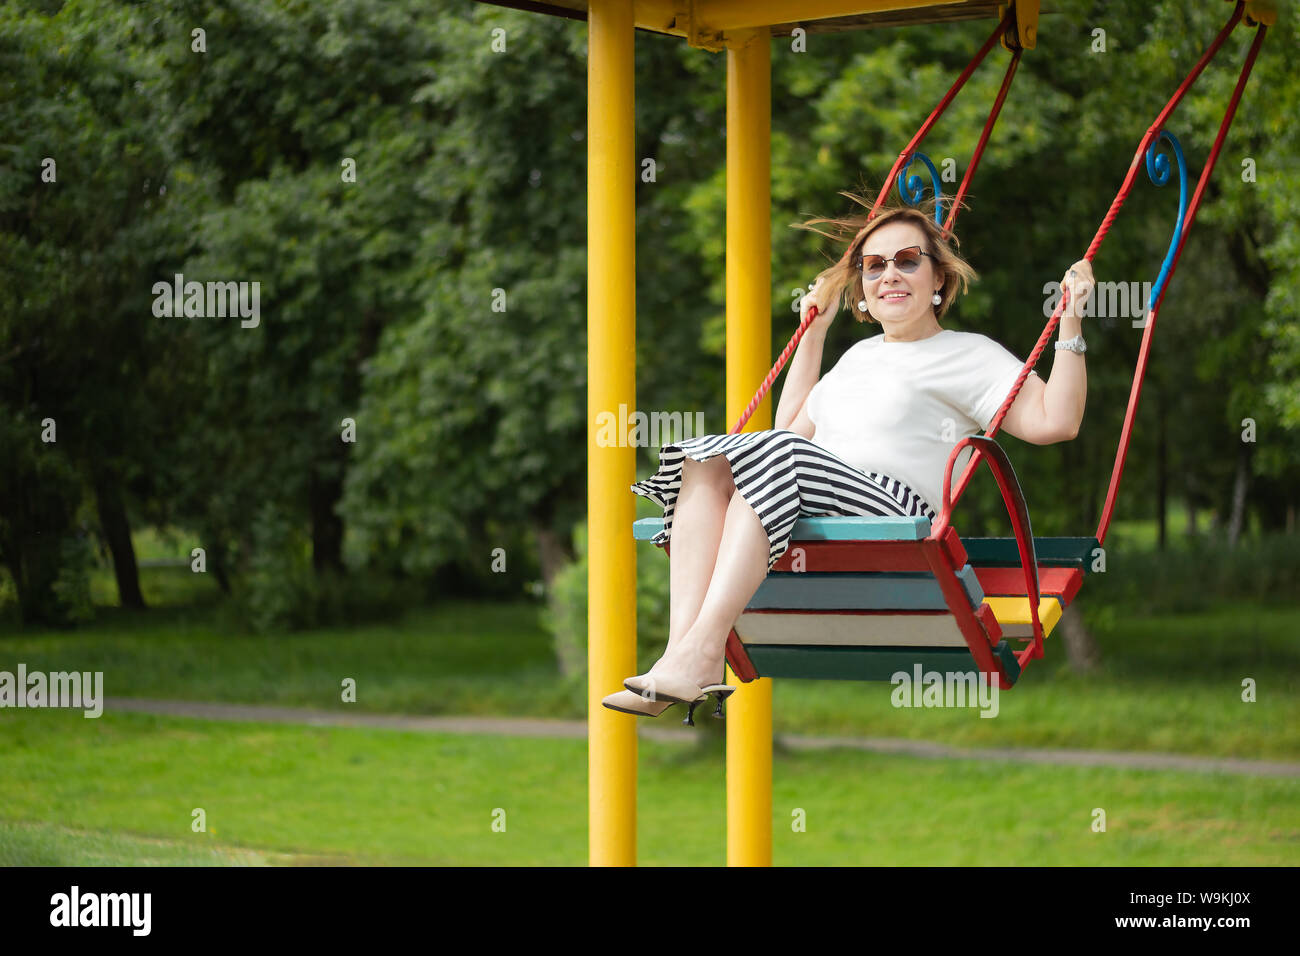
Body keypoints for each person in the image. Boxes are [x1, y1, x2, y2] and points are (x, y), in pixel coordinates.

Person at [603, 194, 1094, 720]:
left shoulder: (969, 354)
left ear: (939, 281)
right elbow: (789, 431)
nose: (890, 275)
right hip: (810, 494)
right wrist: (813, 332)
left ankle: (701, 650)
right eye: (874, 266)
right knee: (709, 462)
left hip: (894, 508)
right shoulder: (858, 356)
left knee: (773, 455)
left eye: (908, 260)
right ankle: (685, 653)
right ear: (862, 287)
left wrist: (1071, 325)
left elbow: (1055, 422)